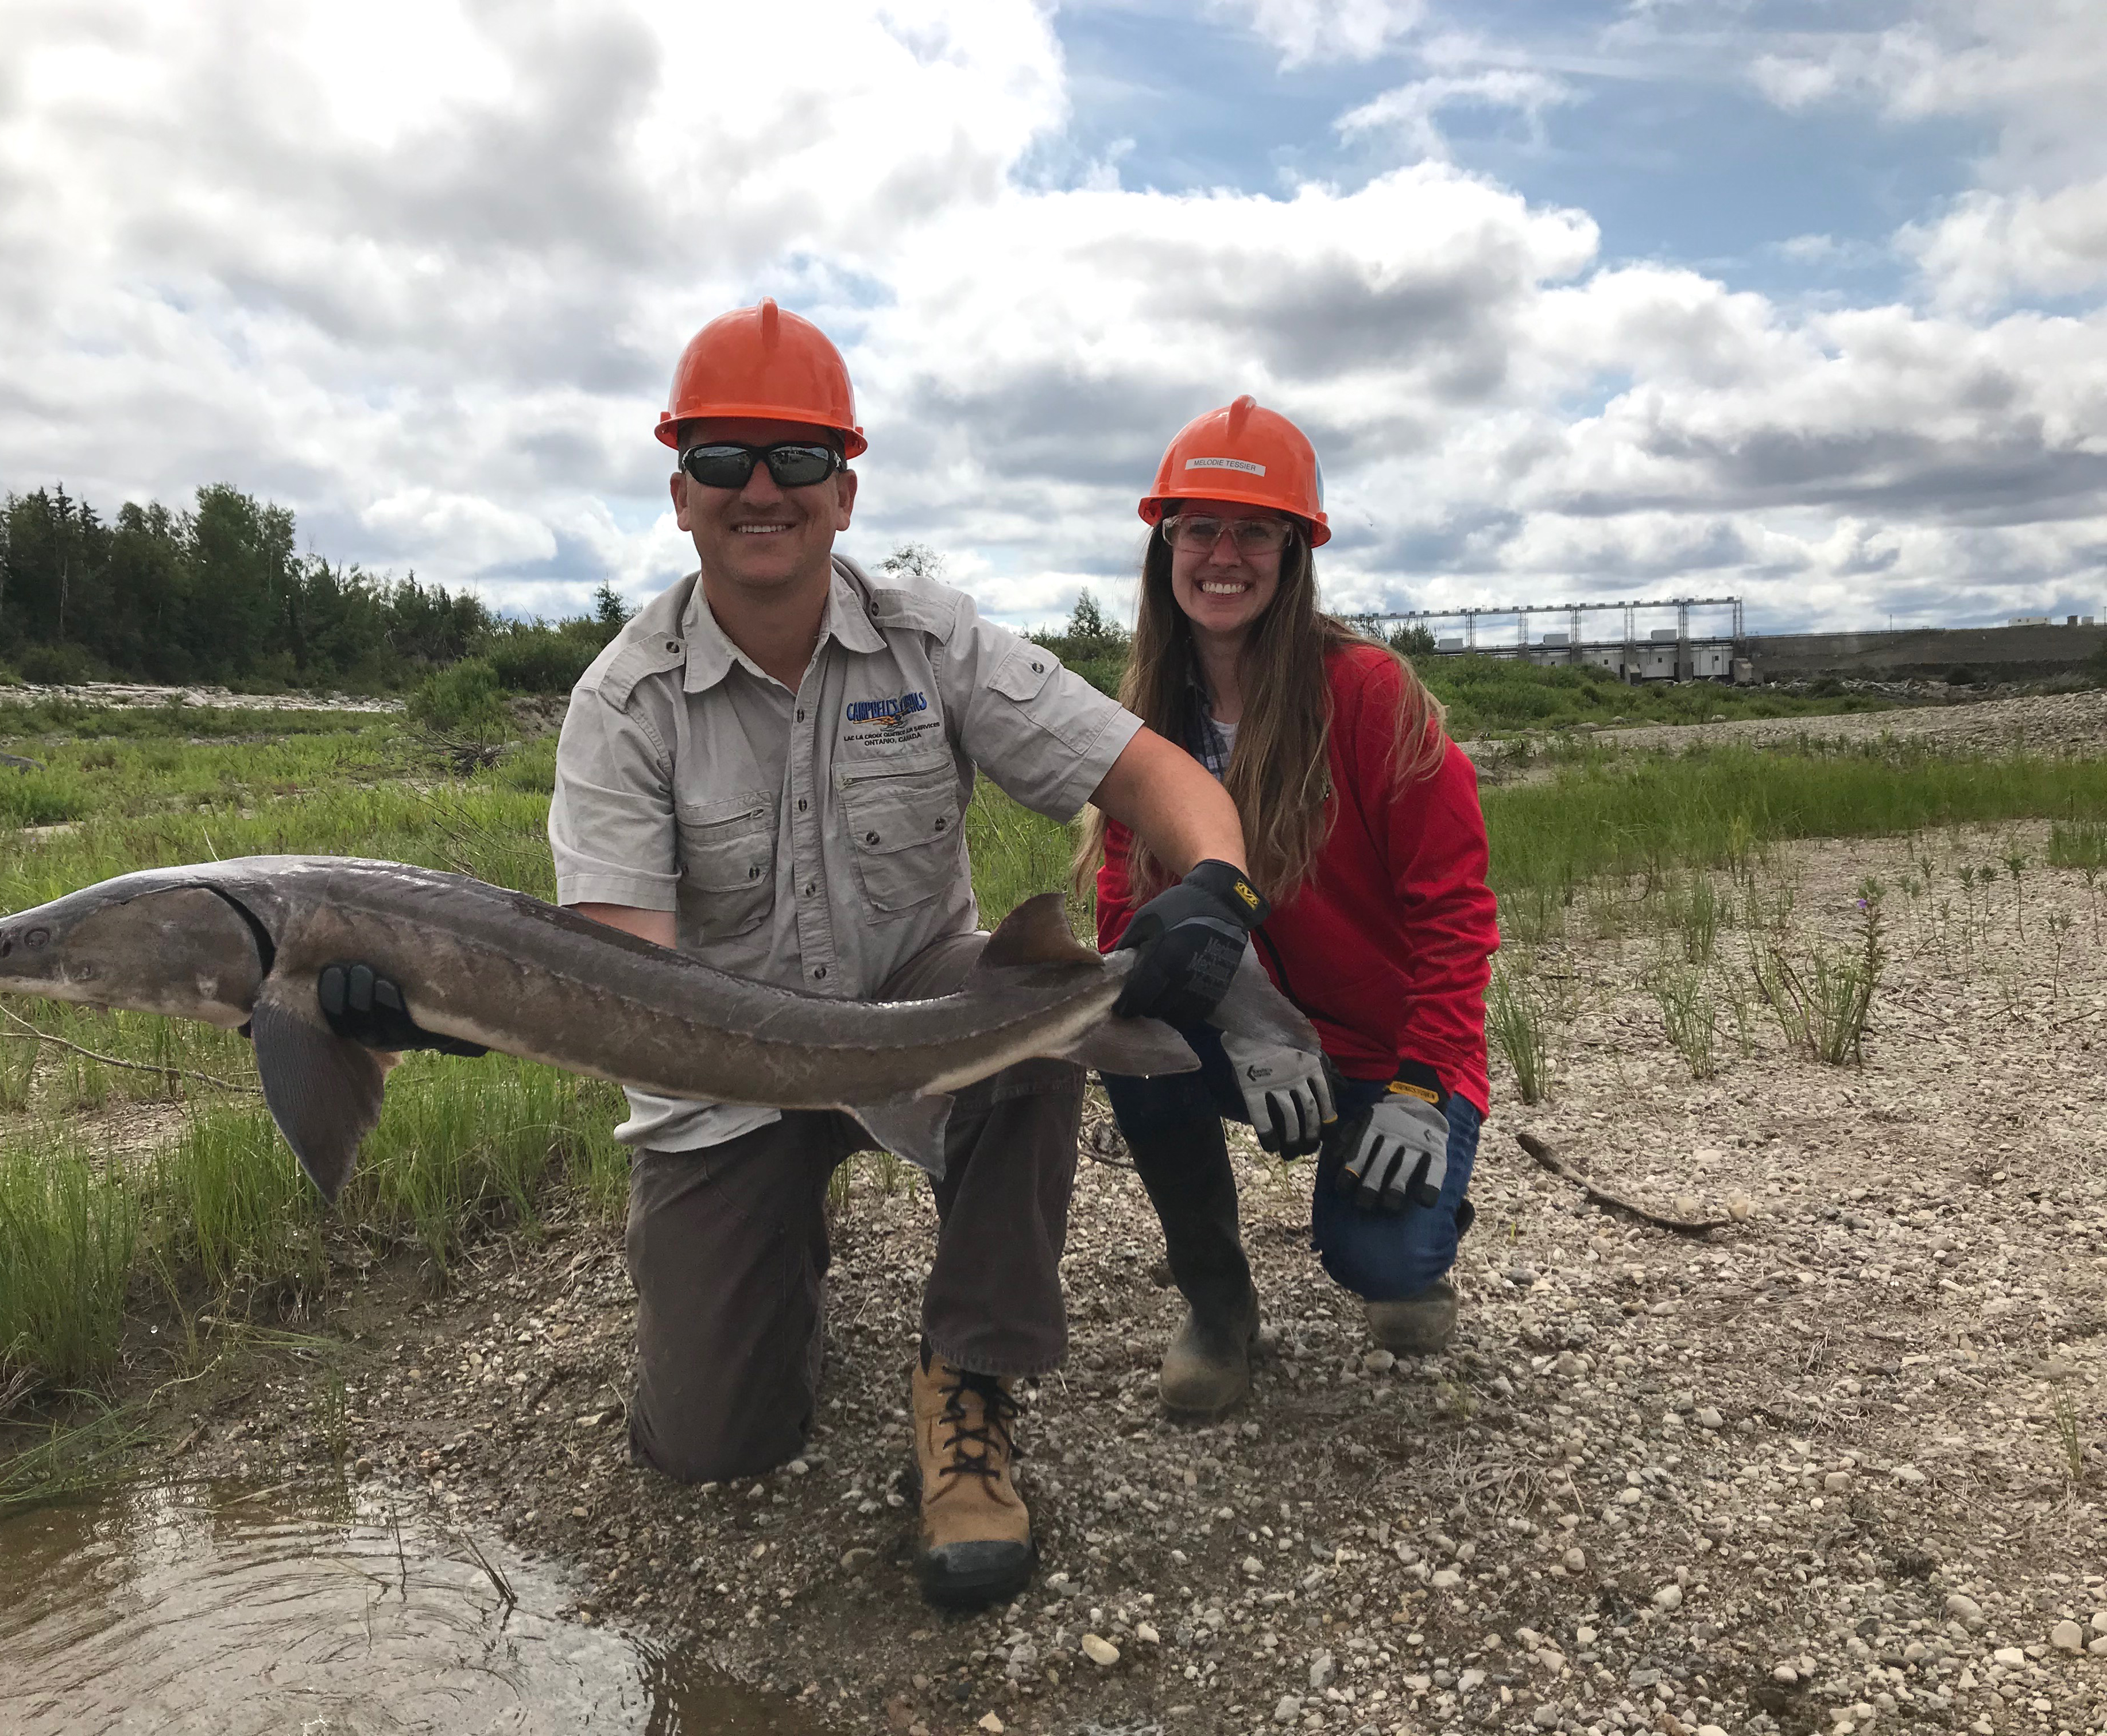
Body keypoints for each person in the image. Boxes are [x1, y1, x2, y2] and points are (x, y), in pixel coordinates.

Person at [325, 299, 1269, 1609]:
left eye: (797, 460)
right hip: (717, 1066)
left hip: (919, 1014)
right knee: (713, 1448)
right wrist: (433, 1013)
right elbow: (623, 986)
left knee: (1035, 1022)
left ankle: (968, 1388)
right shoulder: (622, 703)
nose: (760, 489)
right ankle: (772, 1273)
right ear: (679, 491)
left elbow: (1150, 772)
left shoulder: (935, 638)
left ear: (846, 489)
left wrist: (1215, 886)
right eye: (724, 461)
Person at [1081, 394, 1499, 1420]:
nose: (1224, 555)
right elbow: (1119, 918)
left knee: (1386, 1268)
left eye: (1254, 531)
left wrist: (1420, 1085)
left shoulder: (1369, 697)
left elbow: (1456, 915)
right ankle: (1219, 1307)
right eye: (1199, 529)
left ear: (1294, 551)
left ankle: (1421, 1214)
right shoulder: (1147, 721)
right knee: (1130, 1022)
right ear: (1165, 546)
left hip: (1385, 1056)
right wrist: (1243, 1018)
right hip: (1248, 1043)